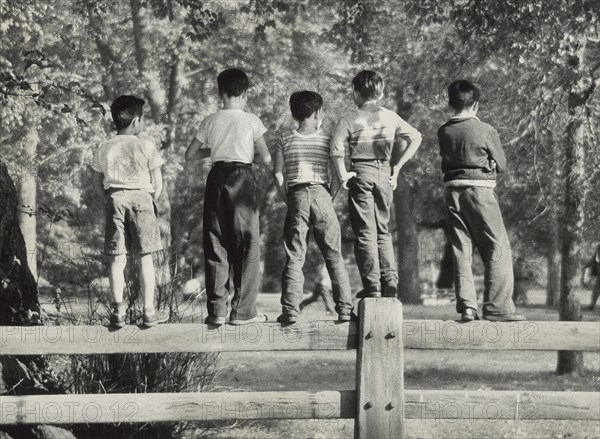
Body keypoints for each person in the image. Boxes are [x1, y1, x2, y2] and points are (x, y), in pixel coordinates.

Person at [185, 68, 271, 326]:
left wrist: (214, 152)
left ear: (220, 93)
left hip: (216, 178)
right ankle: (243, 311)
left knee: (216, 241)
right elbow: (265, 157)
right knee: (247, 243)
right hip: (242, 178)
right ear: (245, 94)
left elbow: (190, 155)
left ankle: (217, 311)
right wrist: (246, 154)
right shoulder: (252, 120)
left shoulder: (209, 120)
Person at [438, 80, 525, 322]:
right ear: (476, 104)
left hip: (452, 193)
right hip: (480, 192)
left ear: (450, 103)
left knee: (461, 249)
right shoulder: (486, 130)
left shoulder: (444, 130)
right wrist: (489, 164)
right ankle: (497, 308)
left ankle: (467, 307)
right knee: (498, 248)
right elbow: (503, 165)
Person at [330, 70, 422, 299]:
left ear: (356, 92)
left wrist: (342, 175)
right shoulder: (390, 117)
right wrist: (398, 166)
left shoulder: (349, 118)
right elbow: (416, 137)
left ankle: (372, 285)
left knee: (364, 231)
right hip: (384, 173)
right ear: (380, 93)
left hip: (361, 172)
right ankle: (389, 281)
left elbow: (335, 149)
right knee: (383, 229)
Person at [273, 90, 353, 324]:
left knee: (295, 255)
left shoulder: (284, 137)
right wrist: (331, 196)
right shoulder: (329, 138)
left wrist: (288, 198)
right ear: (318, 112)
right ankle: (345, 309)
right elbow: (338, 174)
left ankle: (290, 310)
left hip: (296, 194)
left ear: (293, 112)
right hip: (322, 194)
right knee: (333, 255)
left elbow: (278, 173)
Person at [91, 95, 165, 328]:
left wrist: (110, 197)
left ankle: (118, 311)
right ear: (135, 121)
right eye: (142, 119)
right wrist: (151, 199)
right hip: (142, 198)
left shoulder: (105, 146)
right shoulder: (146, 145)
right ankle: (149, 311)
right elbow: (158, 183)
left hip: (115, 198)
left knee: (117, 257)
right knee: (145, 257)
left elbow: (97, 181)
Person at [583, 243, 600, 310]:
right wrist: (585, 266)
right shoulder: (598, 246)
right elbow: (593, 258)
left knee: (596, 288)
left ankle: (591, 305)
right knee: (596, 288)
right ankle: (591, 305)